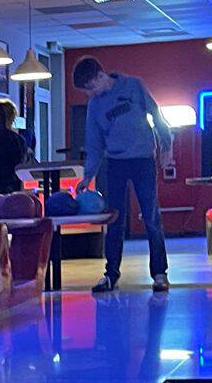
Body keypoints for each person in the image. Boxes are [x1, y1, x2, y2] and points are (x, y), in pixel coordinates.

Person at [73, 56, 174, 294]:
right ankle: (111, 274)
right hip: (115, 163)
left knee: (151, 217)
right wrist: (87, 176)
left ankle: (159, 273)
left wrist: (166, 146)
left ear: (101, 76)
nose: (90, 94)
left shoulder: (133, 86)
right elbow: (94, 143)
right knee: (115, 219)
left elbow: (156, 115)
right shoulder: (94, 105)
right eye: (87, 91)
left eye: (91, 87)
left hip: (143, 160)